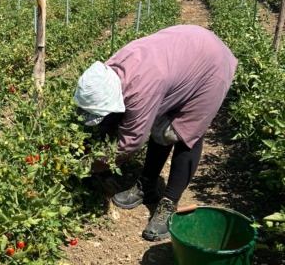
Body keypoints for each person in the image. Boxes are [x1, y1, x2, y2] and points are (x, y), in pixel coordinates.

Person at [74, 25, 237, 241]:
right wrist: (97, 143)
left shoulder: (142, 88)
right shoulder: (109, 72)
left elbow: (131, 142)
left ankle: (169, 203)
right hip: (184, 52)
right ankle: (147, 186)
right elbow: (111, 116)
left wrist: (88, 166)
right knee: (162, 128)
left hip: (211, 66)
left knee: (186, 133)